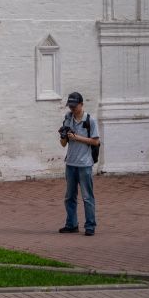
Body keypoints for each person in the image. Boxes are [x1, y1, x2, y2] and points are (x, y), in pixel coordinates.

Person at [57, 90, 100, 236]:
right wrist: (64, 135)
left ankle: (90, 226)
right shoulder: (68, 119)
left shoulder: (90, 120)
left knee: (87, 196)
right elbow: (63, 144)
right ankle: (71, 224)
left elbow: (95, 141)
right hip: (70, 163)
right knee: (69, 196)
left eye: (75, 106)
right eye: (70, 106)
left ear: (82, 104)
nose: (72, 109)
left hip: (85, 164)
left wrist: (77, 137)